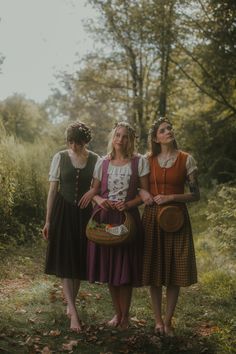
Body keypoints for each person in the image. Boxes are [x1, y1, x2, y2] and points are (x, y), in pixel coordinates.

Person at [140, 117, 200, 336]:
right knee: (154, 269)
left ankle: (168, 321)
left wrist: (170, 197)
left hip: (177, 219)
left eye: (169, 129)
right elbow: (141, 189)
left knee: (175, 270)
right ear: (156, 138)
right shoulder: (147, 160)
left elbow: (195, 194)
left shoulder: (187, 159)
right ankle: (157, 320)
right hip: (153, 218)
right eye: (163, 130)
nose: (168, 132)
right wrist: (145, 193)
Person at [87, 121, 149, 329]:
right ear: (112, 138)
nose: (120, 140)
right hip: (105, 219)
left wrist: (128, 204)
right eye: (117, 135)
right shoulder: (102, 162)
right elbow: (94, 192)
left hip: (127, 220)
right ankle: (117, 314)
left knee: (125, 269)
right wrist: (100, 201)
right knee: (110, 268)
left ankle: (126, 317)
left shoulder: (138, 162)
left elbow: (144, 193)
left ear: (130, 140)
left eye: (125, 136)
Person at [42, 121, 99, 332]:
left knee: (78, 260)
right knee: (66, 261)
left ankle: (71, 303)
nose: (74, 147)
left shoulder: (95, 160)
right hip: (63, 212)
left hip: (84, 215)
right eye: (71, 142)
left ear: (85, 141)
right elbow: (52, 191)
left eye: (79, 143)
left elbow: (97, 190)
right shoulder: (60, 157)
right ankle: (73, 314)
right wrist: (48, 220)